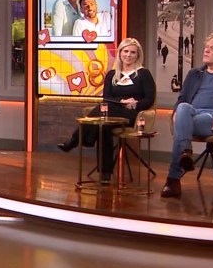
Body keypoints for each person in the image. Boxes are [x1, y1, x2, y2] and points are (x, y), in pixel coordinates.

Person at [160, 34, 213, 198]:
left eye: (212, 48)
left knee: (182, 124)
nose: (206, 50)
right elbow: (182, 99)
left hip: (212, 117)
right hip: (190, 112)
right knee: (183, 107)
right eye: (206, 47)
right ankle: (185, 151)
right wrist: (176, 111)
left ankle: (173, 180)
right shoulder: (194, 73)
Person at [57, 38, 155, 182]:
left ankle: (75, 140)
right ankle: (105, 174)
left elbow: (149, 99)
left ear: (138, 55)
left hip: (132, 115)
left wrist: (134, 104)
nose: (128, 55)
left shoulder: (143, 74)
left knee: (104, 110)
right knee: (103, 127)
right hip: (112, 112)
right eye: (125, 51)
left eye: (132, 52)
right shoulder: (112, 74)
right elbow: (107, 97)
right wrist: (121, 102)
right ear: (120, 53)